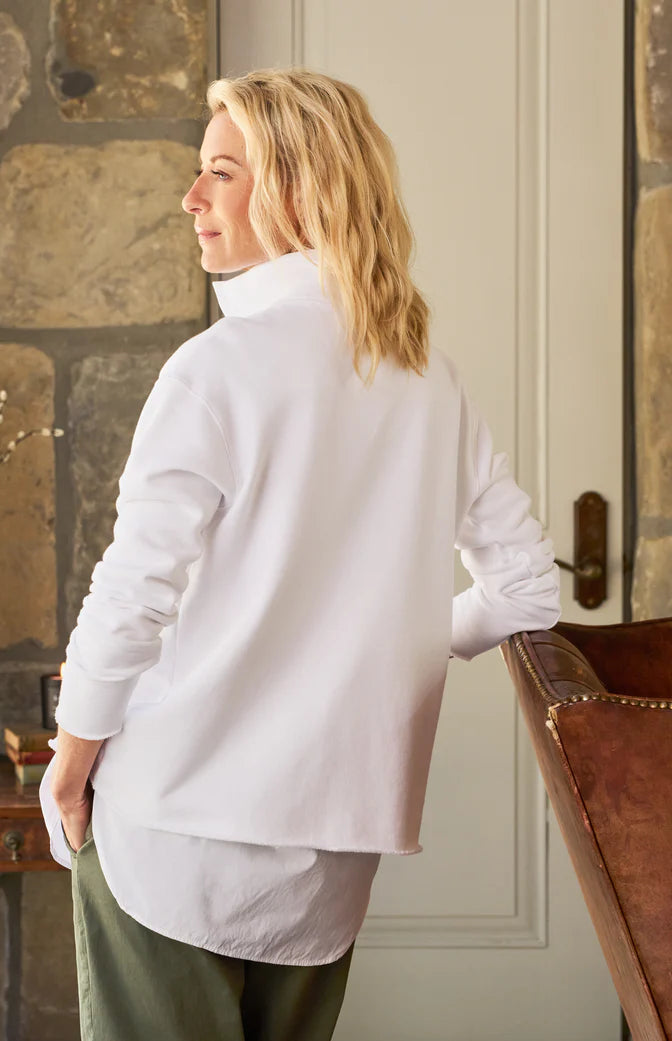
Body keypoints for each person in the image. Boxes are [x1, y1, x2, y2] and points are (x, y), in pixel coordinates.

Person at [39, 67, 561, 1041]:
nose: (191, 197)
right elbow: (527, 591)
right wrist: (380, 652)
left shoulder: (216, 369)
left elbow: (134, 589)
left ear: (296, 189)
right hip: (327, 862)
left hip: (172, 824)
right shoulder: (424, 380)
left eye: (223, 173)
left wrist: (71, 760)